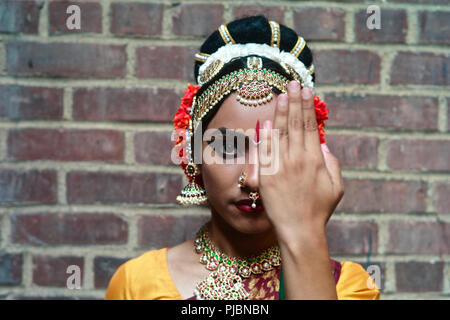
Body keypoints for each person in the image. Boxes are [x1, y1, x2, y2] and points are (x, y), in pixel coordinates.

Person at [105, 15, 380, 300]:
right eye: (227, 147)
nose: (253, 179)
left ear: (308, 160)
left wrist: (304, 231)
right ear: (193, 155)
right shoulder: (137, 285)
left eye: (275, 150)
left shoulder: (347, 286)